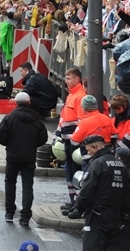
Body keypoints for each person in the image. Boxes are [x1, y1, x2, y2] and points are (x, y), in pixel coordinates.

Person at [68, 134, 130, 248]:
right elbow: (127, 193)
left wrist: (78, 206)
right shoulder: (121, 165)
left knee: (92, 246)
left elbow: (87, 190)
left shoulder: (97, 164)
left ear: (95, 147)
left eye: (88, 150)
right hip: (116, 217)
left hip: (97, 215)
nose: (88, 153)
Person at [0, 92, 47, 228]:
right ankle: (25, 216)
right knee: (27, 186)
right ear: (29, 103)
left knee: (10, 183)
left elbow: (1, 136)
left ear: (16, 103)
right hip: (29, 157)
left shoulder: (9, 118)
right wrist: (32, 145)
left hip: (12, 156)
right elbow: (43, 138)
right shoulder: (36, 119)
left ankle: (9, 212)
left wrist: (10, 144)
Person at [57, 68, 87, 212]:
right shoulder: (71, 95)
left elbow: (81, 122)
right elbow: (64, 117)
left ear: (77, 79)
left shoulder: (79, 97)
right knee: (69, 170)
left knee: (74, 171)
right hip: (67, 140)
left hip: (74, 142)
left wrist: (75, 140)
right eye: (66, 78)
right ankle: (72, 200)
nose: (66, 81)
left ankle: (77, 203)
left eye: (69, 78)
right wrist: (58, 133)